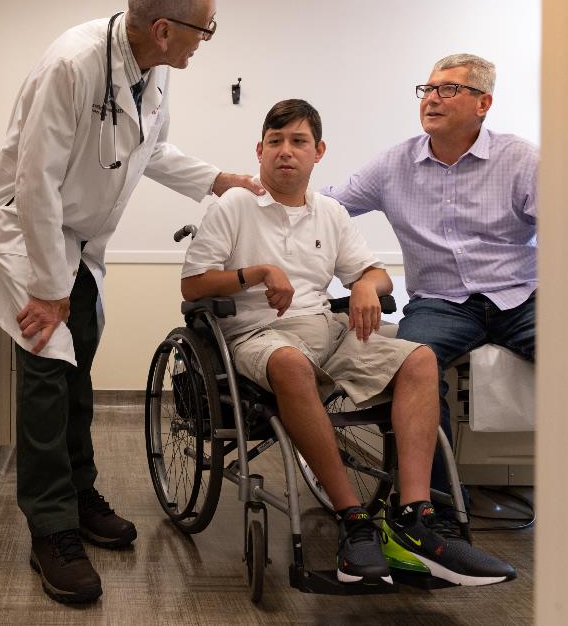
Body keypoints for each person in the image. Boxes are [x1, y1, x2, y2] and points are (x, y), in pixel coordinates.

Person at [0, 0, 262, 604]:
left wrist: (219, 180)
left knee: (77, 375)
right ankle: (50, 529)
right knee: (47, 376)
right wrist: (49, 286)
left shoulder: (154, 72)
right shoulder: (71, 66)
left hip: (78, 244)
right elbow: (35, 182)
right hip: (29, 234)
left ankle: (77, 495)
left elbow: (152, 148)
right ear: (165, 28)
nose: (206, 40)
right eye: (205, 28)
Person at [182, 99, 516, 587]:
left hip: (326, 330)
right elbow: (193, 286)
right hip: (257, 335)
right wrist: (256, 273)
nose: (285, 152)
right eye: (275, 142)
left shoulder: (331, 212)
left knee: (420, 358)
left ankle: (415, 519)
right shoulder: (234, 206)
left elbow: (375, 273)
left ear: (319, 152)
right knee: (293, 365)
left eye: (298, 142)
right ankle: (354, 520)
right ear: (259, 150)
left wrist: (364, 285)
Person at [322, 54, 537, 509]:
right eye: (428, 89)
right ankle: (430, 508)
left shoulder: (520, 159)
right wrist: (258, 194)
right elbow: (328, 206)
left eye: (448, 89)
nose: (432, 99)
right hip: (440, 303)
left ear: (483, 104)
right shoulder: (394, 164)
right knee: (411, 369)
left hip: (520, 296)